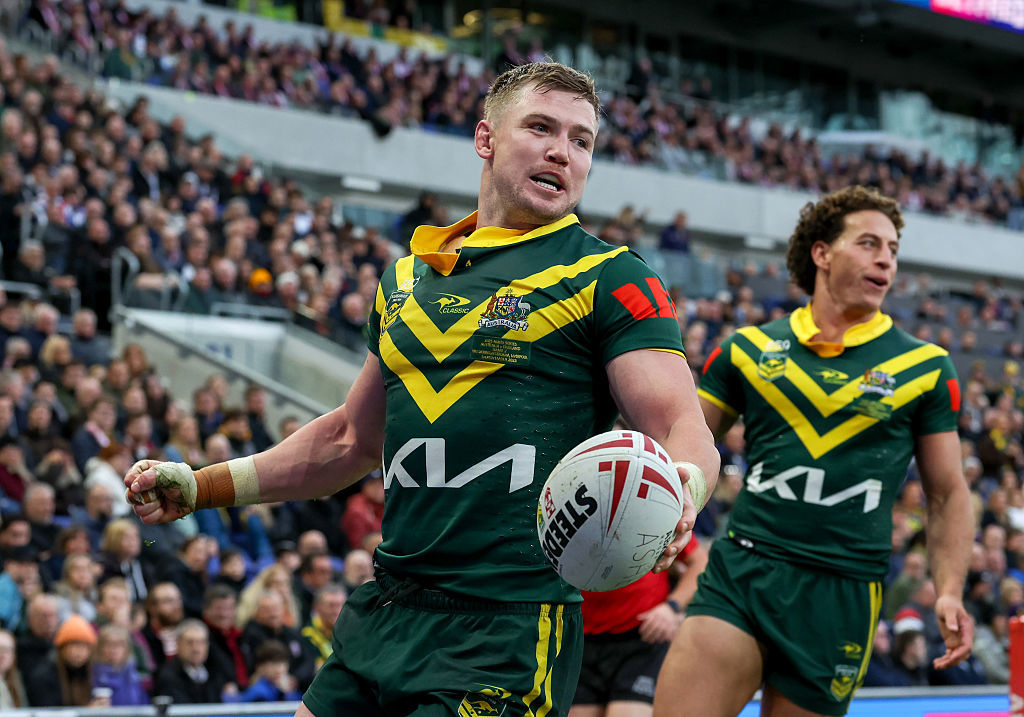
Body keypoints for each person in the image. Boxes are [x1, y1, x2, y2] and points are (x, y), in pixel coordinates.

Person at [125, 61, 719, 717]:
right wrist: (202, 484)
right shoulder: (405, 280)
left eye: (582, 141)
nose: (562, 150)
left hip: (509, 628)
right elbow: (349, 438)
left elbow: (680, 424)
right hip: (386, 610)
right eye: (541, 127)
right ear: (485, 140)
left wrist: (683, 488)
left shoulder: (609, 276)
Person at [654, 186, 974, 717]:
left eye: (892, 249)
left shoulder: (927, 368)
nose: (885, 259)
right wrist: (669, 506)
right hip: (746, 571)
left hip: (844, 593)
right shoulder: (745, 351)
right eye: (869, 243)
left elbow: (946, 494)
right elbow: (685, 446)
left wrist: (949, 590)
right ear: (822, 253)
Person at [572, 536, 708, 717]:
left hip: (642, 639)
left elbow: (700, 562)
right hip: (581, 641)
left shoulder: (658, 511)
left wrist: (672, 607)